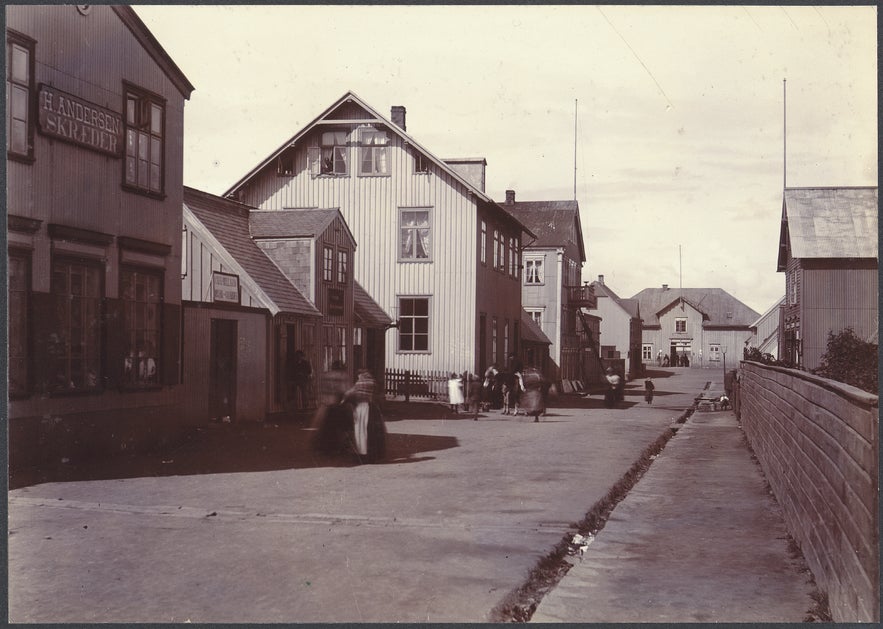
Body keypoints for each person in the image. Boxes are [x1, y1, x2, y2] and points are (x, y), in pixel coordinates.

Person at [312, 361, 351, 455]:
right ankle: (338, 447)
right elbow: (345, 391)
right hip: (337, 404)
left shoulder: (326, 376)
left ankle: (325, 448)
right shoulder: (342, 376)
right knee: (341, 426)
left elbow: (320, 389)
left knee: (326, 427)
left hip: (326, 404)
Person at [344, 369, 376, 460]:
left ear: (360, 374)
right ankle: (367, 452)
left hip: (360, 407)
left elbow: (350, 393)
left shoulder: (359, 383)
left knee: (359, 430)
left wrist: (344, 399)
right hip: (370, 407)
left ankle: (361, 452)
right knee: (367, 431)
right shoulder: (372, 382)